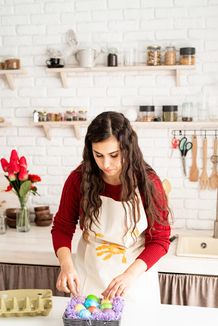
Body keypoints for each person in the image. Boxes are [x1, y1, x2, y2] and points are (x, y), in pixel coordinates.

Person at [51, 111, 171, 304]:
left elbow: (160, 239)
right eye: (98, 155)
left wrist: (129, 275)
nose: (106, 164)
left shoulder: (148, 183)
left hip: (134, 278)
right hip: (90, 274)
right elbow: (62, 228)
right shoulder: (78, 179)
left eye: (114, 155)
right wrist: (66, 265)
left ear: (128, 149)